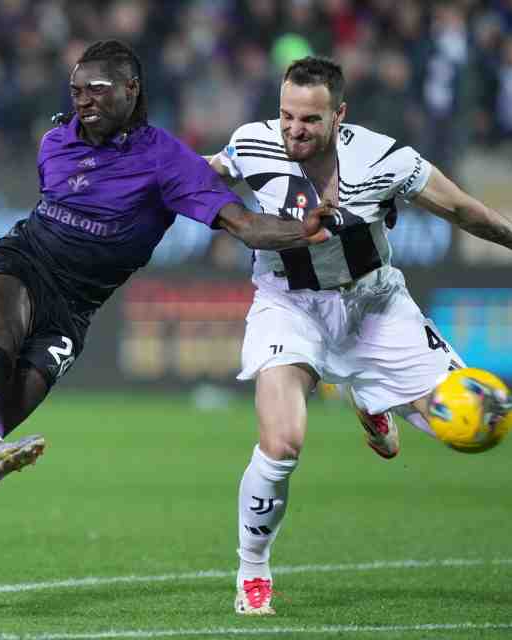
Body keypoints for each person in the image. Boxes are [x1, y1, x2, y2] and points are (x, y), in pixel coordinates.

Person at [0, 40, 341, 600]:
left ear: (132, 89)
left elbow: (244, 225)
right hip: (19, 262)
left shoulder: (167, 161)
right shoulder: (55, 141)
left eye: (97, 90)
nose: (83, 101)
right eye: (76, 90)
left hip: (74, 309)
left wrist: (304, 230)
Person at [204, 56, 512, 616]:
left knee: (473, 423)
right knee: (282, 443)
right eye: (286, 115)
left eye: (309, 119)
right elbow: (197, 176)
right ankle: (253, 570)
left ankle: (371, 398)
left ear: (338, 115)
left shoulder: (385, 159)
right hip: (288, 305)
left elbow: (463, 211)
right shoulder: (252, 143)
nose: (294, 129)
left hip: (375, 308)